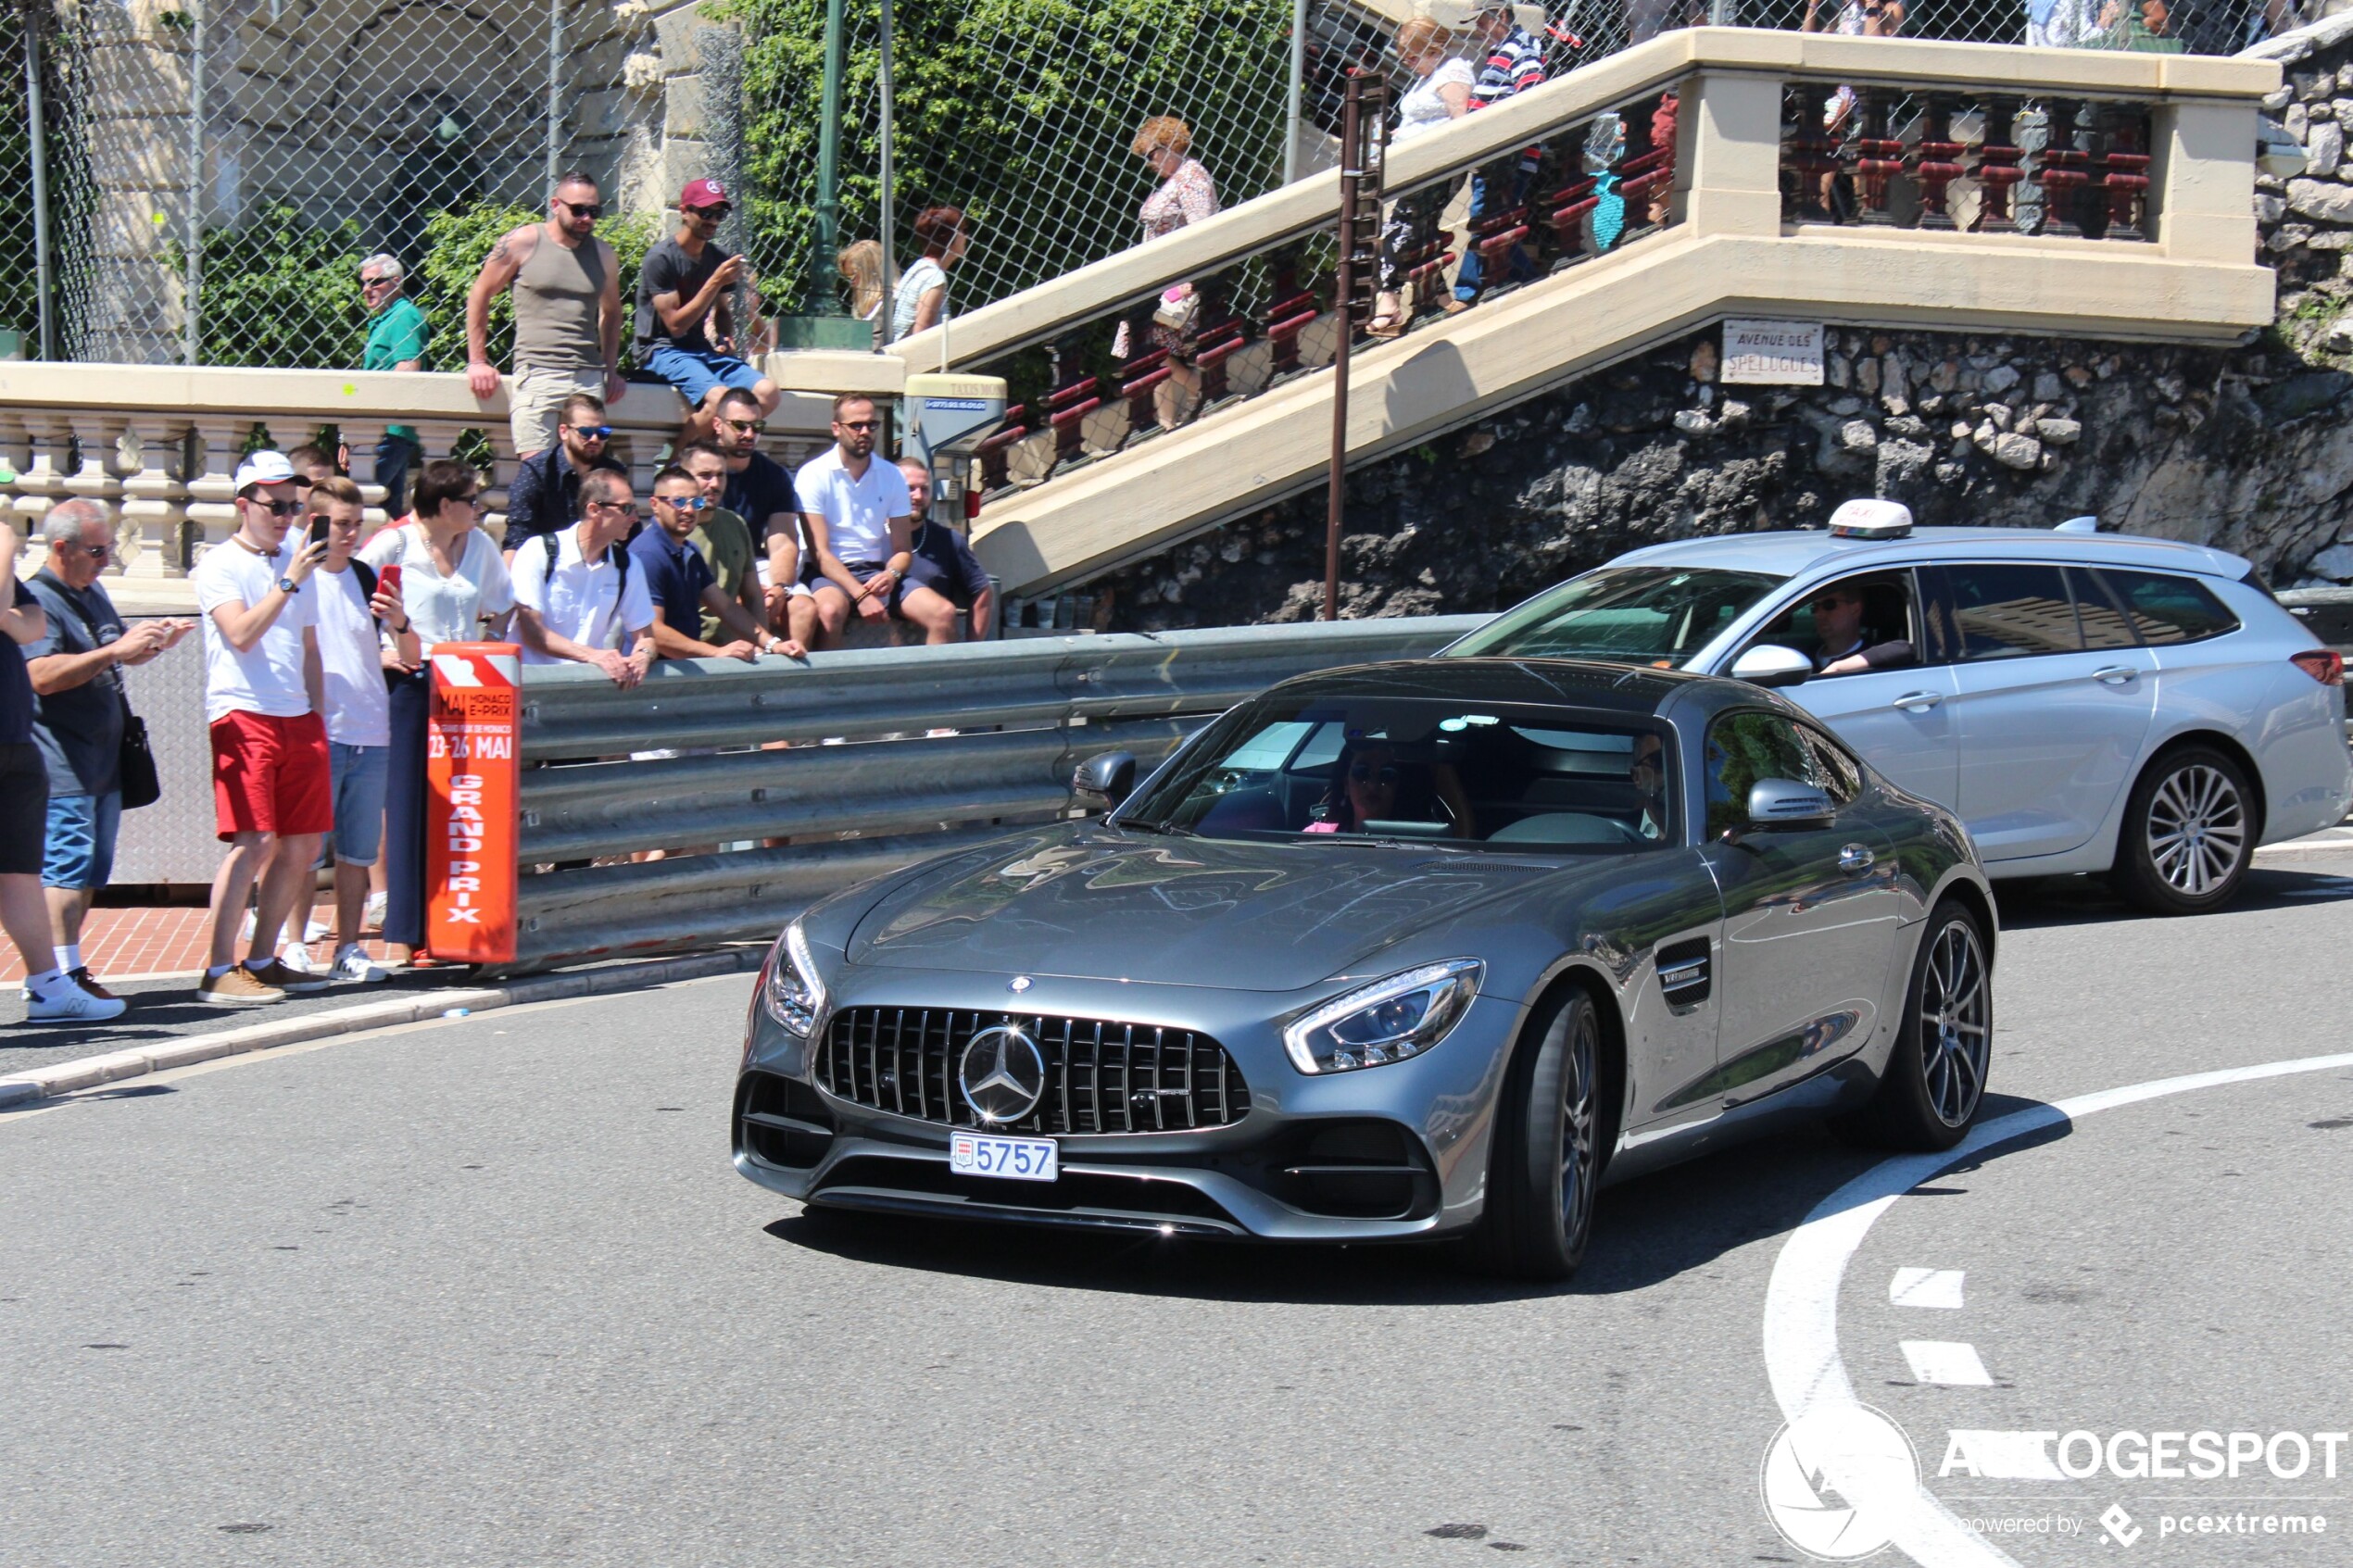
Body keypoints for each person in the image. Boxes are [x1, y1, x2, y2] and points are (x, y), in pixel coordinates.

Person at [23, 500, 192, 1006]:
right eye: (97, 550)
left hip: (103, 760)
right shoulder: (39, 599)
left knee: (92, 870)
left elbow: (114, 655)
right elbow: (41, 676)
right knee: (67, 869)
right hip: (64, 762)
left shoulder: (90, 591)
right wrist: (114, 652)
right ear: (61, 548)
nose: (105, 560)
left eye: (109, 549)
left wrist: (152, 643)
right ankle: (57, 983)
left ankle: (71, 971)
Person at [190, 451, 333, 1004]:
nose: (287, 515)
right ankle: (218, 968)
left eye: (294, 506)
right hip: (242, 711)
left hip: (297, 717)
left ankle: (262, 959)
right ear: (243, 504)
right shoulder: (220, 564)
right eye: (276, 505)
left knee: (302, 846)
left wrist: (316, 717)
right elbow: (241, 633)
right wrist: (291, 581)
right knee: (253, 843)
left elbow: (310, 648)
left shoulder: (297, 563)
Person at [360, 458, 516, 968]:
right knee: (407, 807)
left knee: (462, 805)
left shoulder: (480, 546)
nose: (480, 509)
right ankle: (408, 933)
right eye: (472, 501)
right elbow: (350, 600)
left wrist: (489, 642)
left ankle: (459, 923)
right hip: (410, 681)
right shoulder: (394, 544)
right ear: (444, 505)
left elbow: (503, 603)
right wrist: (376, 651)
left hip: (468, 687)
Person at [283, 477, 417, 985]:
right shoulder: (297, 578)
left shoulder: (365, 578)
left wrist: (400, 622)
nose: (351, 534)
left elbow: (411, 657)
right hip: (319, 727)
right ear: (314, 521)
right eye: (341, 524)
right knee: (301, 847)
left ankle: (348, 947)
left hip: (371, 726)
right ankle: (294, 944)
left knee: (357, 853)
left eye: (357, 525)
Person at [3, 521, 119, 1022]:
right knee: (48, 869)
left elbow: (28, 624)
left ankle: (49, 985)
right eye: (95, 550)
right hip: (43, 747)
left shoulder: (20, 586)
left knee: (22, 873)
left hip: (14, 740)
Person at [465, 170, 626, 458]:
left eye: (594, 211)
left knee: (583, 475)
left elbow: (612, 313)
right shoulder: (523, 241)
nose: (586, 218)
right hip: (539, 372)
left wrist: (610, 369)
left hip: (587, 377)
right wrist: (478, 360)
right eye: (578, 210)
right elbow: (480, 294)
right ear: (555, 204)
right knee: (538, 472)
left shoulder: (603, 254)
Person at [636, 178, 782, 443]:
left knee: (768, 392)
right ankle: (677, 468)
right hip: (662, 349)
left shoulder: (718, 257)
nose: (713, 221)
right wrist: (714, 281)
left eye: (719, 214)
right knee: (721, 401)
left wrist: (725, 337)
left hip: (701, 350)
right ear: (684, 211)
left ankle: (719, 455)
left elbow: (722, 311)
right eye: (705, 213)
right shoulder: (661, 258)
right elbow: (676, 326)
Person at [794, 394, 937, 647]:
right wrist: (861, 595)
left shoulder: (891, 475)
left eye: (872, 425)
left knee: (942, 614)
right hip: (827, 572)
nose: (865, 432)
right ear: (836, 429)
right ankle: (829, 685)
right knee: (830, 612)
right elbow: (820, 554)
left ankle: (933, 686)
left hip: (875, 570)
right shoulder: (813, 474)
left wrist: (891, 575)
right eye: (856, 426)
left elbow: (903, 550)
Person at [629, 466, 804, 662]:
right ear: (654, 504)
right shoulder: (648, 555)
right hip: (649, 677)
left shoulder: (689, 550)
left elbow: (726, 608)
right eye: (678, 502)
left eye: (696, 502)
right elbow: (653, 632)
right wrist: (715, 652)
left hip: (683, 671)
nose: (689, 510)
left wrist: (772, 644)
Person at [1372, 18, 1474, 338]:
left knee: (1397, 232)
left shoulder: (1452, 72)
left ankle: (1388, 301)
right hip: (1414, 168)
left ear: (1433, 48)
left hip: (1437, 167)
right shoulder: (1427, 78)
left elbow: (1459, 120)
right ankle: (1439, 295)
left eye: (1414, 56)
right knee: (1422, 231)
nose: (1410, 63)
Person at [511, 468, 656, 686]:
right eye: (626, 509)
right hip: (527, 686)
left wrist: (643, 655)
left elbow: (646, 636)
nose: (635, 518)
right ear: (594, 510)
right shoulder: (538, 551)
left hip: (581, 689)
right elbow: (533, 631)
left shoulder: (628, 566)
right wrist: (593, 655)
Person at [1452, 1, 1547, 311]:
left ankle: (1466, 291)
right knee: (1497, 221)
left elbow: (1530, 91)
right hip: (1497, 156)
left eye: (1482, 22)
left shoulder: (1521, 48)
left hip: (1509, 157)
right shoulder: (1502, 51)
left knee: (1486, 218)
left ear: (1502, 16)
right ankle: (1527, 276)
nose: (1478, 30)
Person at [1125, 119, 1219, 425]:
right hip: (1164, 284)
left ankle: (1195, 388)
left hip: (1181, 285)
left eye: (1151, 155)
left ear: (1168, 147)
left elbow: (1202, 230)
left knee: (1144, 341)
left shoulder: (1191, 178)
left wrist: (1189, 283)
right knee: (1144, 342)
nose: (1149, 163)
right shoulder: (1177, 178)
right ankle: (1167, 421)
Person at [711, 386, 812, 646]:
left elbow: (783, 542)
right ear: (717, 424)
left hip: (754, 564)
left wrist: (779, 588)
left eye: (757, 427)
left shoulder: (773, 475)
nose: (749, 434)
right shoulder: (700, 470)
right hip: (709, 565)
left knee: (803, 609)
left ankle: (787, 683)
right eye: (739, 425)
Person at [502, 392, 627, 561]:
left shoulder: (614, 473)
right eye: (586, 432)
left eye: (602, 432)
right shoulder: (536, 472)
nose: (595, 439)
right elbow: (516, 539)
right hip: (548, 569)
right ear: (564, 431)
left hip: (599, 568)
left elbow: (629, 533)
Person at [359, 253, 429, 515]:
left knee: (359, 499)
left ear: (396, 282)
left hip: (388, 429)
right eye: (364, 283)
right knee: (389, 508)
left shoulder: (404, 317)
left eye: (375, 282)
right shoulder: (386, 318)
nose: (367, 289)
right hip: (382, 427)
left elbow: (407, 369)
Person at [679, 441, 766, 647]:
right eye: (705, 476)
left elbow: (753, 595)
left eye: (721, 475)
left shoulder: (735, 524)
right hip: (689, 651)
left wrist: (765, 647)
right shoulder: (672, 532)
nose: (715, 484)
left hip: (735, 647)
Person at [897, 458, 994, 641]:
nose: (917, 496)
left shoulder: (949, 540)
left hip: (930, 653)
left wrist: (971, 650)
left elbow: (982, 591)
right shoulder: (870, 538)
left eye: (924, 489)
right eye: (909, 488)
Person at [891, 205, 969, 343]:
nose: (965, 237)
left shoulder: (919, 268)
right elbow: (920, 337)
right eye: (962, 231)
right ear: (950, 237)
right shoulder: (934, 277)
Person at [1807, 582, 1915, 674]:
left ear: (1855, 609)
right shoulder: (1802, 657)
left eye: (1829, 605)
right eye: (1815, 607)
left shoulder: (1875, 655)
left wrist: (1838, 667)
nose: (1819, 614)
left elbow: (1905, 649)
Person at [837, 240, 885, 345]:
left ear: (872, 273)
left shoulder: (889, 304)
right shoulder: (859, 304)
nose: (852, 283)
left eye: (854, 275)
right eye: (848, 278)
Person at [1629, 731, 1667, 841]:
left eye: (1684, 762)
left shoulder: (1712, 832)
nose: (1671, 770)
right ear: (1637, 777)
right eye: (1659, 760)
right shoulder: (1618, 836)